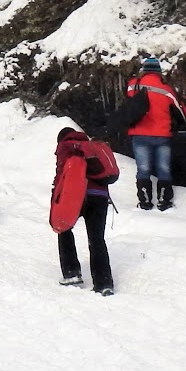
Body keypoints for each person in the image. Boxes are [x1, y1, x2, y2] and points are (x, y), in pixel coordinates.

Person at [110, 56, 186, 211]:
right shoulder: (166, 90)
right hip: (162, 135)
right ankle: (164, 202)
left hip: (140, 134)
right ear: (159, 72)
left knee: (143, 168)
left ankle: (145, 202)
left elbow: (128, 105)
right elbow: (180, 110)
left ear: (144, 70)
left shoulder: (133, 86)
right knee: (164, 168)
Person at [52, 126, 116, 295]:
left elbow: (62, 174)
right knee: (97, 239)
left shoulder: (66, 146)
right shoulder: (91, 146)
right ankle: (104, 283)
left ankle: (72, 272)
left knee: (64, 228)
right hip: (100, 196)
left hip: (78, 195)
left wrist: (56, 200)